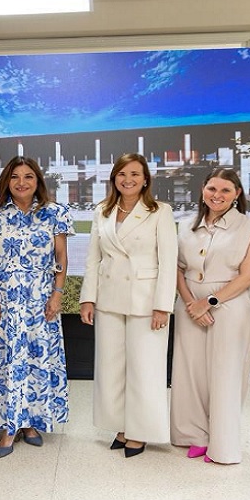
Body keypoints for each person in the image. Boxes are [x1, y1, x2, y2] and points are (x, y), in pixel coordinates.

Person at [0, 156, 73, 458]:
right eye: (15, 177)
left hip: (40, 300)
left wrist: (57, 294)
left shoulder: (56, 213)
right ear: (6, 181)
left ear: (38, 181)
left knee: (36, 360)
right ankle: (8, 425)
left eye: (28, 176)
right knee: (4, 361)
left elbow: (61, 257)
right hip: (1, 299)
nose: (22, 182)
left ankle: (30, 421)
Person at [79, 153, 177, 458]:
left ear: (145, 178)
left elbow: (168, 261)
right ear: (114, 179)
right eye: (122, 174)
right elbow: (93, 259)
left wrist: (163, 305)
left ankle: (140, 432)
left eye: (135, 174)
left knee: (144, 368)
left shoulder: (160, 211)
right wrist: (87, 298)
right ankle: (120, 426)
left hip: (146, 301)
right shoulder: (102, 211)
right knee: (111, 368)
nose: (128, 179)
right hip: (109, 298)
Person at [170, 169, 250, 464]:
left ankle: (222, 444)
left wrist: (208, 303)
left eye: (225, 190)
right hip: (189, 306)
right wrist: (190, 304)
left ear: (237, 193)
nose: (217, 195)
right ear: (203, 189)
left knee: (225, 374)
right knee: (191, 373)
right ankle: (194, 435)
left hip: (230, 306)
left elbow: (247, 277)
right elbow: (177, 268)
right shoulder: (185, 226)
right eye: (212, 188)